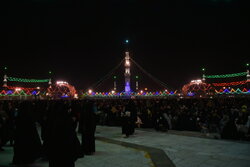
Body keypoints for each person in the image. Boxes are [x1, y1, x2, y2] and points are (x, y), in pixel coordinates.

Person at [48, 101, 80, 167]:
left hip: (55, 150)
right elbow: (71, 136)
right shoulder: (66, 121)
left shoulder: (53, 119)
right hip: (66, 150)